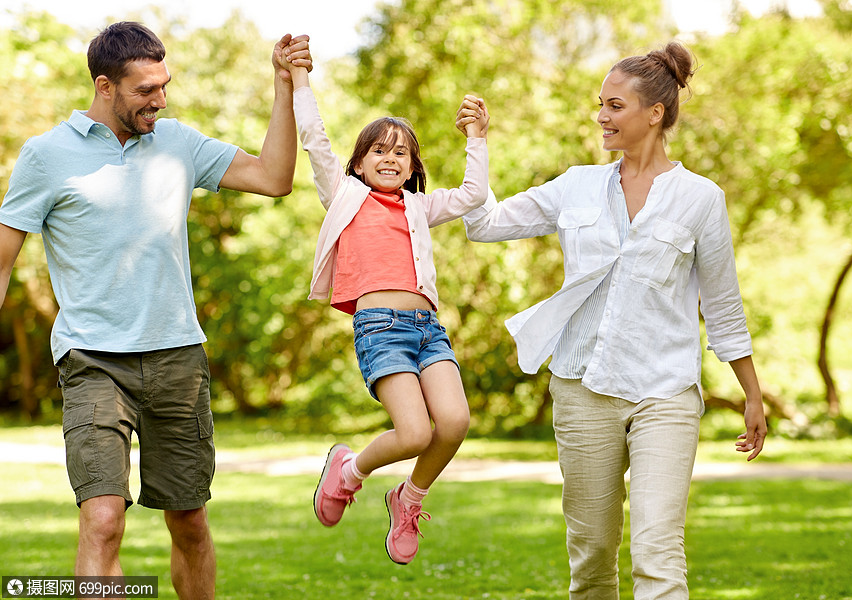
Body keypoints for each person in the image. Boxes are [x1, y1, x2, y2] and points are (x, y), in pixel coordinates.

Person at [0, 22, 311, 599]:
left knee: (189, 521)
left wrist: (283, 86)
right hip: (93, 359)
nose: (160, 100)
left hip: (177, 358)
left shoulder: (178, 144)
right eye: (146, 90)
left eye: (164, 86)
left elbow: (274, 178)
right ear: (104, 86)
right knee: (102, 521)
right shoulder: (46, 157)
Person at [458, 42, 767, 599]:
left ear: (655, 114)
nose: (602, 116)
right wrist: (477, 145)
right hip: (582, 388)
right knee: (594, 557)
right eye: (600, 103)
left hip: (665, 393)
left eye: (615, 105)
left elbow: (722, 304)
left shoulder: (701, 199)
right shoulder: (576, 185)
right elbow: (483, 224)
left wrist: (751, 393)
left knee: (657, 548)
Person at [279, 38, 489, 565]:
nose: (391, 158)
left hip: (428, 330)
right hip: (380, 327)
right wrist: (300, 77)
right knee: (415, 432)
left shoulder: (420, 208)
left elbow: (473, 196)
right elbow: (314, 138)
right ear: (359, 162)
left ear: (413, 164)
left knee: (456, 422)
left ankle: (408, 498)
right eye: (379, 149)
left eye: (401, 151)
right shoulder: (344, 195)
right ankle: (349, 471)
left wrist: (476, 138)